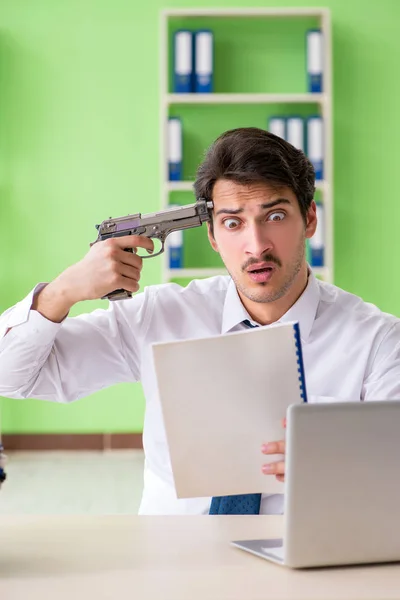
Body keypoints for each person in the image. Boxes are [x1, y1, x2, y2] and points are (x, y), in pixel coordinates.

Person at [1, 127, 400, 515]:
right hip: (169, 559)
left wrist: (341, 460)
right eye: (233, 223)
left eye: (275, 216)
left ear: (310, 219)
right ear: (211, 235)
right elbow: (11, 377)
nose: (256, 245)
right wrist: (61, 292)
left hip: (306, 559)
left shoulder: (377, 342)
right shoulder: (157, 317)